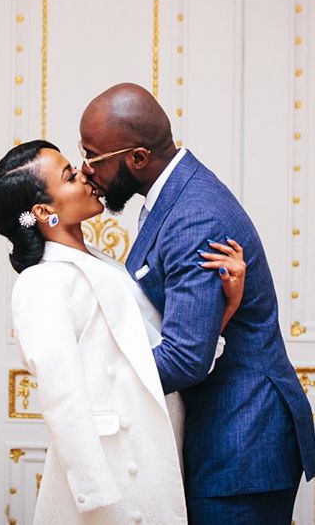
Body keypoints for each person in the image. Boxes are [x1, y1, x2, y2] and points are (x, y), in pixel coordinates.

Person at [79, 82, 315, 524]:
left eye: (92, 157)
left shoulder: (194, 217)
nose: (85, 169)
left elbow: (185, 356)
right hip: (226, 434)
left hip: (241, 441)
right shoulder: (175, 195)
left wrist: (94, 388)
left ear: (137, 158)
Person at [0, 140, 245, 524]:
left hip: (155, 454)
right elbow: (62, 396)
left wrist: (226, 307)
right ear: (43, 211)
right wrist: (96, 495)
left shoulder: (110, 266)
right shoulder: (41, 282)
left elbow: (161, 353)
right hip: (110, 479)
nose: (86, 174)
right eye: (70, 176)